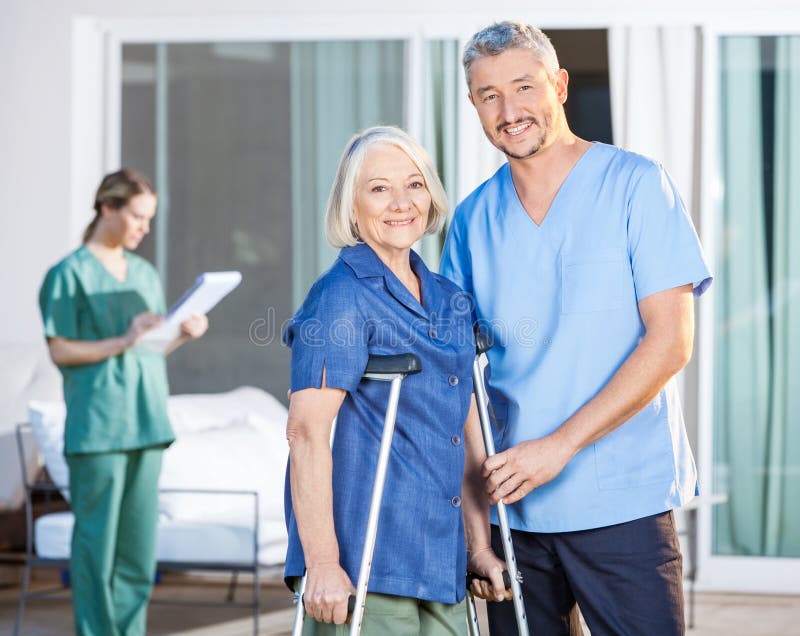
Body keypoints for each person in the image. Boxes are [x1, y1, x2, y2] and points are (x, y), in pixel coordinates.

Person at [440, 21, 713, 635]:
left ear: (558, 86)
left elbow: (671, 341)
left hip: (622, 499)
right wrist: (477, 525)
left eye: (524, 87)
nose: (509, 111)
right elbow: (458, 371)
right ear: (474, 106)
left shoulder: (637, 186)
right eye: (489, 95)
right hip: (515, 511)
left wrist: (558, 446)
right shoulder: (471, 221)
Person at [283, 126, 509, 635]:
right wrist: (321, 562)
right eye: (379, 188)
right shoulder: (339, 298)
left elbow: (467, 434)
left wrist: (478, 546)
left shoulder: (450, 300)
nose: (401, 203)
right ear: (352, 204)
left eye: (414, 185)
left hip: (441, 557)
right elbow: (306, 433)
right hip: (367, 559)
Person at [38, 169, 208, 636]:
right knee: (96, 548)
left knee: (137, 550)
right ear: (107, 208)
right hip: (99, 429)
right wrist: (123, 337)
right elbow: (61, 350)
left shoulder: (145, 273)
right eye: (136, 216)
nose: (143, 228)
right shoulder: (67, 275)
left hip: (148, 423)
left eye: (149, 219)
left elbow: (148, 350)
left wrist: (180, 336)